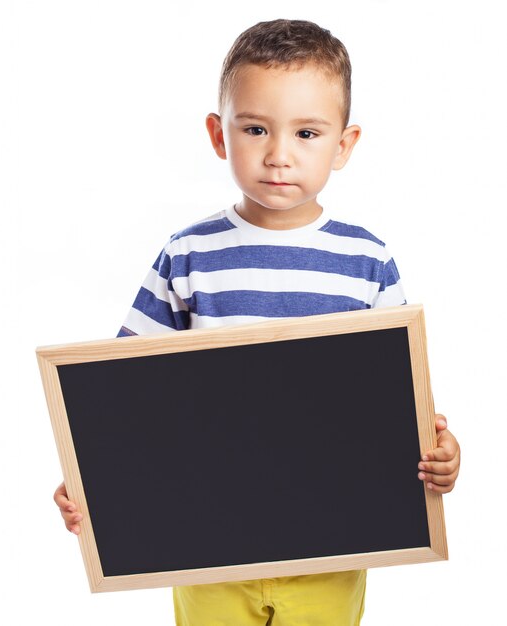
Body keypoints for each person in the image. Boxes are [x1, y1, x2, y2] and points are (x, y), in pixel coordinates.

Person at [54, 18, 461, 626]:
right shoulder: (188, 254)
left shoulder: (366, 260)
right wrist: (91, 478)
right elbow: (123, 390)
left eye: (306, 132)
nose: (278, 154)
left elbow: (398, 395)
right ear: (220, 135)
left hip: (332, 539)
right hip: (207, 543)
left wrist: (440, 452)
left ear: (343, 145)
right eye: (255, 128)